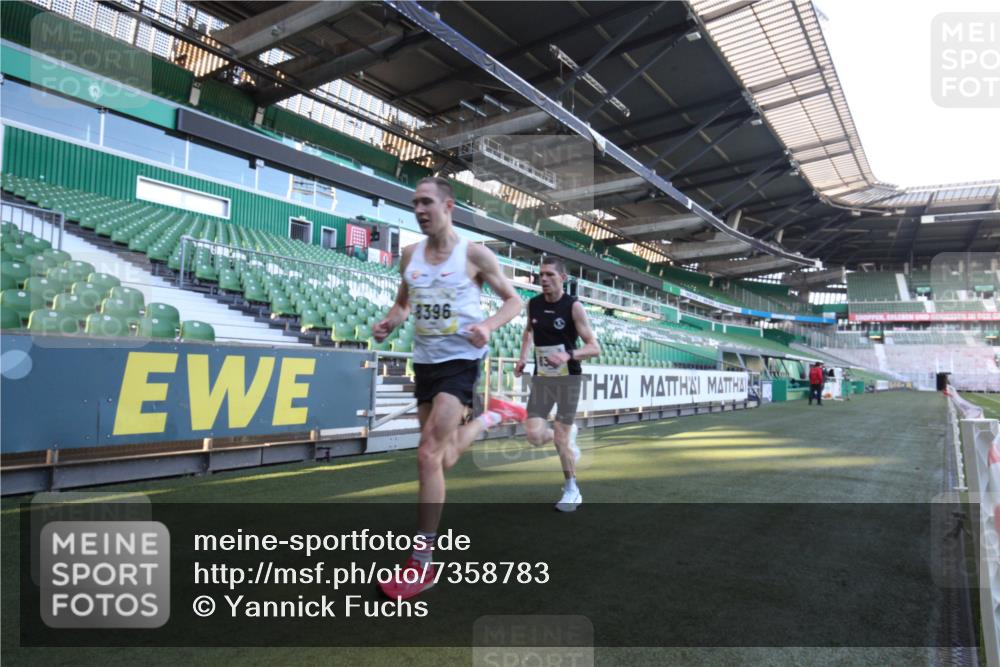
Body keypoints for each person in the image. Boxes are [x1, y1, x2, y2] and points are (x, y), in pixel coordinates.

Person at [372, 176, 526, 599]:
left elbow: (514, 301)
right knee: (443, 457)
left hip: (460, 362)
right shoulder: (409, 256)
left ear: (448, 205)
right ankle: (494, 414)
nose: (419, 210)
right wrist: (390, 322)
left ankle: (422, 562)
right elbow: (404, 304)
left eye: (426, 202)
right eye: (414, 204)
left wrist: (488, 325)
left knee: (426, 453)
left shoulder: (474, 255)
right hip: (425, 364)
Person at [514, 256, 600, 512]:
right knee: (534, 435)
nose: (544, 279)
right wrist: (522, 358)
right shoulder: (534, 304)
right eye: (541, 275)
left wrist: (568, 354)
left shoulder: (574, 307)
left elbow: (594, 348)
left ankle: (572, 489)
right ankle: (566, 437)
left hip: (568, 379)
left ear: (562, 278)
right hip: (542, 379)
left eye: (550, 274)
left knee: (560, 438)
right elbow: (528, 331)